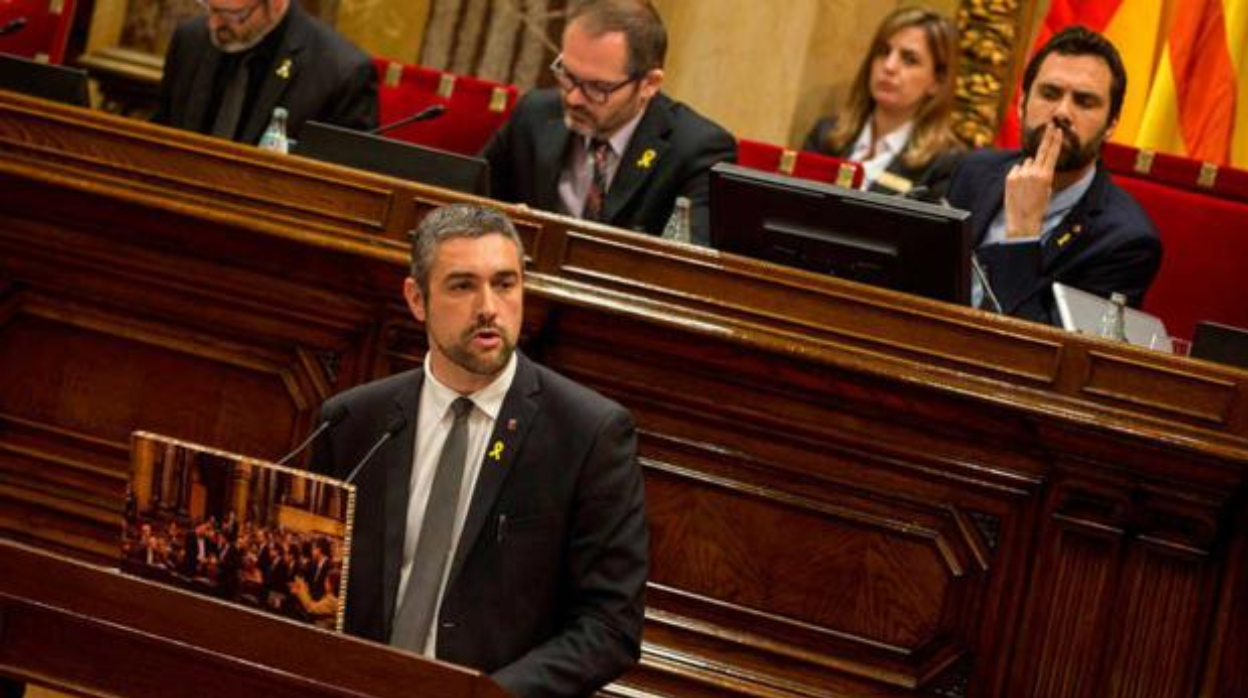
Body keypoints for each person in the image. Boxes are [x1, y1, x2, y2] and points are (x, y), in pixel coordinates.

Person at [311, 204, 648, 698]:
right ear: (417, 299)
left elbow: (610, 627)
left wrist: (487, 696)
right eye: (463, 285)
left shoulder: (589, 434)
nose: (488, 306)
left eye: (505, 283)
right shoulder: (352, 422)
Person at [946, 26, 1162, 325]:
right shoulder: (974, 171)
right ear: (1022, 105)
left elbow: (1052, 357)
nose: (1062, 112)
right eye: (1050, 93)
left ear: (1111, 124)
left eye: (1084, 101)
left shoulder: (1127, 241)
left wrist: (1022, 235)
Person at [482, 0, 736, 246]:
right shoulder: (534, 114)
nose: (573, 98)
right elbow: (468, 199)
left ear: (649, 84)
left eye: (598, 87)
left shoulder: (698, 151)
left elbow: (690, 268)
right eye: (568, 75)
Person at [154, 0, 377, 145]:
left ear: (276, 4)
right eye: (208, 8)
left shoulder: (342, 72)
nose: (213, 25)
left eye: (233, 15)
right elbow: (161, 134)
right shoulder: (190, 39)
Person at [802, 7, 964, 199]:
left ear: (937, 82)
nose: (889, 66)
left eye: (909, 59)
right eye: (883, 52)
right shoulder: (826, 135)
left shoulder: (946, 165)